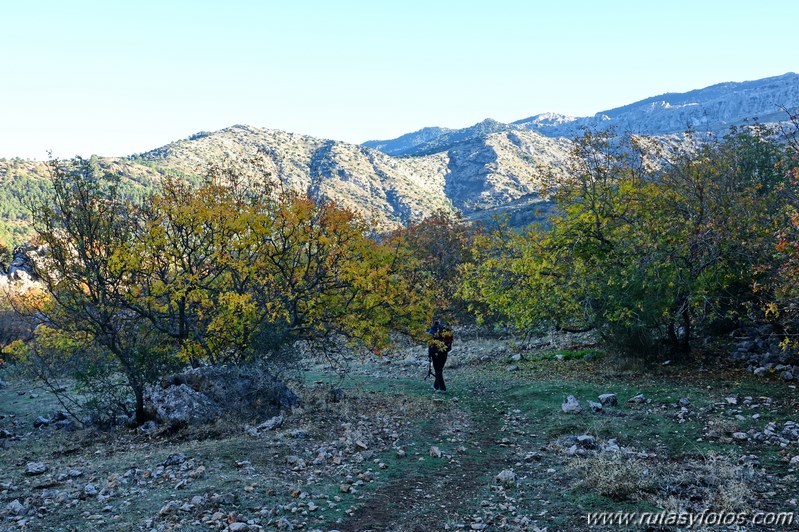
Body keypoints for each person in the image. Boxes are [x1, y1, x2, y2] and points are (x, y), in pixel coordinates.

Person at [427, 318, 453, 393]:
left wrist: (429, 355)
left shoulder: (432, 331)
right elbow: (450, 341)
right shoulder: (446, 330)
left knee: (438, 370)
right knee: (439, 370)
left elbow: (430, 344)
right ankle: (436, 386)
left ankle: (442, 388)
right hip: (444, 352)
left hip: (435, 353)